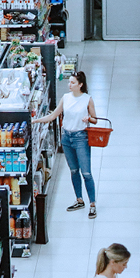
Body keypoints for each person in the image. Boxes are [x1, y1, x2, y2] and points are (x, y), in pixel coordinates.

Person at [34, 71, 99, 218]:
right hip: (66, 138)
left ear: (80, 85)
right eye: (69, 82)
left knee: (86, 172)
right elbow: (53, 115)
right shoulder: (66, 98)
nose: (69, 85)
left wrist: (88, 118)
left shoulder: (87, 99)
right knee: (74, 170)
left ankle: (93, 204)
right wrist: (35, 120)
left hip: (81, 138)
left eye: (73, 83)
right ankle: (79, 199)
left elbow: (96, 120)